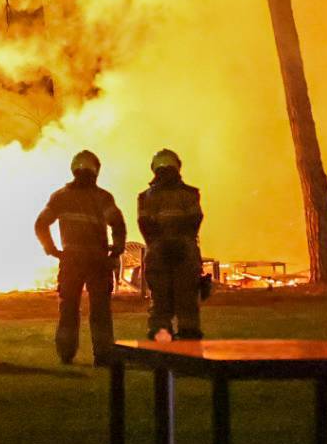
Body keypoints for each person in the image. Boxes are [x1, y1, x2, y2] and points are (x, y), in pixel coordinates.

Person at [35, 150, 127, 365]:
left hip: (72, 261)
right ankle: (103, 354)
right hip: (97, 261)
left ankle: (66, 354)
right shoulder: (102, 197)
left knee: (69, 308)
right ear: (96, 171)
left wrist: (53, 249)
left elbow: (41, 224)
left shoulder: (61, 196)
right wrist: (117, 249)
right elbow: (118, 224)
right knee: (100, 310)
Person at [137, 148, 204, 341]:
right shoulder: (190, 194)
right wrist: (180, 243)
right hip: (185, 255)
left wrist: (161, 244)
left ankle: (163, 351)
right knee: (187, 303)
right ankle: (190, 350)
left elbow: (145, 226)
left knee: (161, 304)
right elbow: (195, 221)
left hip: (158, 256)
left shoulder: (145, 197)